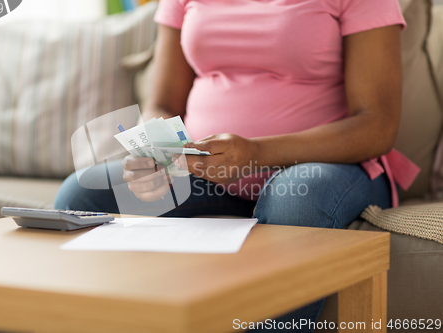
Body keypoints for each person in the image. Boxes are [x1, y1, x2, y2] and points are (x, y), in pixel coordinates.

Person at [54, 0, 420, 331]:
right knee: (83, 192)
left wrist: (257, 153)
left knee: (295, 201)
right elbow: (163, 102)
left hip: (328, 166)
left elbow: (377, 123)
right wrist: (157, 155)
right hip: (207, 173)